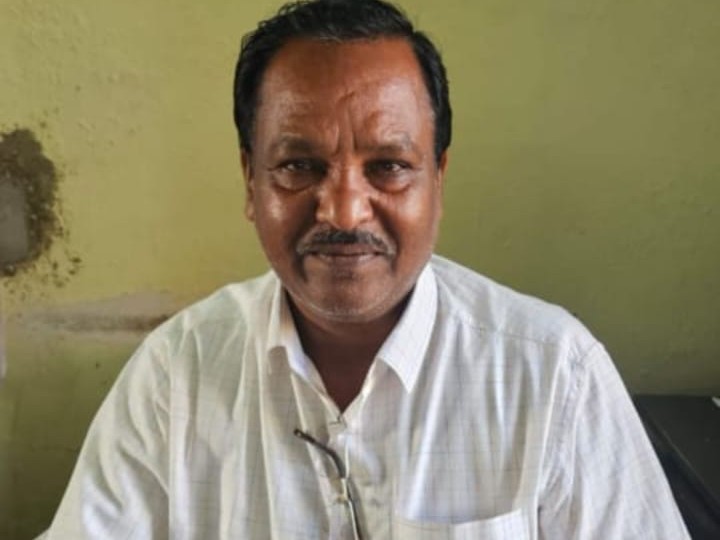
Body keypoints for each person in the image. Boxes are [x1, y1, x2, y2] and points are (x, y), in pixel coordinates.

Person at [42, 0, 689, 538]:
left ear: (438, 179)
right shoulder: (174, 377)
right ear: (250, 180)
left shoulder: (553, 376)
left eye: (388, 167)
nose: (345, 210)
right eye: (299, 166)